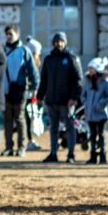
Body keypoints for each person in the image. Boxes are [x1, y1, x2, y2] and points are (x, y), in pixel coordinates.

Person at [36, 32, 82, 163]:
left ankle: (71, 154)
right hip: (51, 101)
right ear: (53, 43)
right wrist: (39, 96)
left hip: (67, 102)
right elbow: (43, 80)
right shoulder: (48, 59)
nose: (59, 43)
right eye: (56, 41)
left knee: (70, 128)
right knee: (53, 129)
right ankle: (53, 153)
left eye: (61, 41)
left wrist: (74, 97)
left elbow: (78, 80)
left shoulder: (71, 58)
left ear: (65, 42)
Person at [2, 25, 39, 157]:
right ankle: (8, 147)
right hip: (5, 91)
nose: (8, 36)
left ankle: (21, 147)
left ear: (17, 35)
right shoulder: (2, 50)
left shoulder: (24, 51)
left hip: (21, 90)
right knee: (7, 119)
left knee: (19, 118)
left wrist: (35, 88)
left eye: (11, 34)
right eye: (7, 34)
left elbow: (33, 71)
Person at [80, 57, 108, 164]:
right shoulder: (88, 82)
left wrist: (100, 104)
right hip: (90, 114)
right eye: (89, 69)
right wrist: (85, 103)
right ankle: (93, 156)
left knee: (101, 134)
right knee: (92, 135)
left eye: (92, 69)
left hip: (101, 114)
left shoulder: (105, 83)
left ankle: (103, 156)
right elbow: (83, 95)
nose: (89, 71)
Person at [24, 36, 43, 151]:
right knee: (29, 118)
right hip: (29, 94)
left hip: (31, 94)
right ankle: (30, 140)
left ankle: (31, 140)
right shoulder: (29, 63)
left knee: (31, 118)